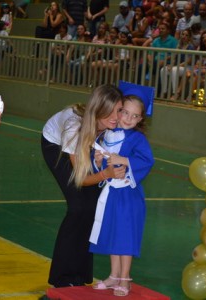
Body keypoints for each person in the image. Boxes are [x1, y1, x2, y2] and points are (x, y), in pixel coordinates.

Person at [42, 84, 126, 288]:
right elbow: (80, 179)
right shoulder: (74, 128)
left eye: (119, 110)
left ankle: (80, 276)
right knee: (78, 207)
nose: (117, 116)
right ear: (98, 110)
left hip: (87, 144)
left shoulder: (109, 125)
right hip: (57, 146)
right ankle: (61, 278)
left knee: (93, 207)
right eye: (111, 111)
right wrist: (105, 174)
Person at [88, 81, 155, 297]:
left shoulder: (138, 139)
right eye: (124, 112)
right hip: (112, 194)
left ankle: (125, 278)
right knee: (113, 234)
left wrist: (124, 160)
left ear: (140, 119)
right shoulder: (107, 133)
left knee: (125, 236)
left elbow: (146, 160)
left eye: (134, 116)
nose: (127, 118)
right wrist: (98, 159)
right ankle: (113, 275)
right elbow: (100, 162)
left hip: (128, 195)